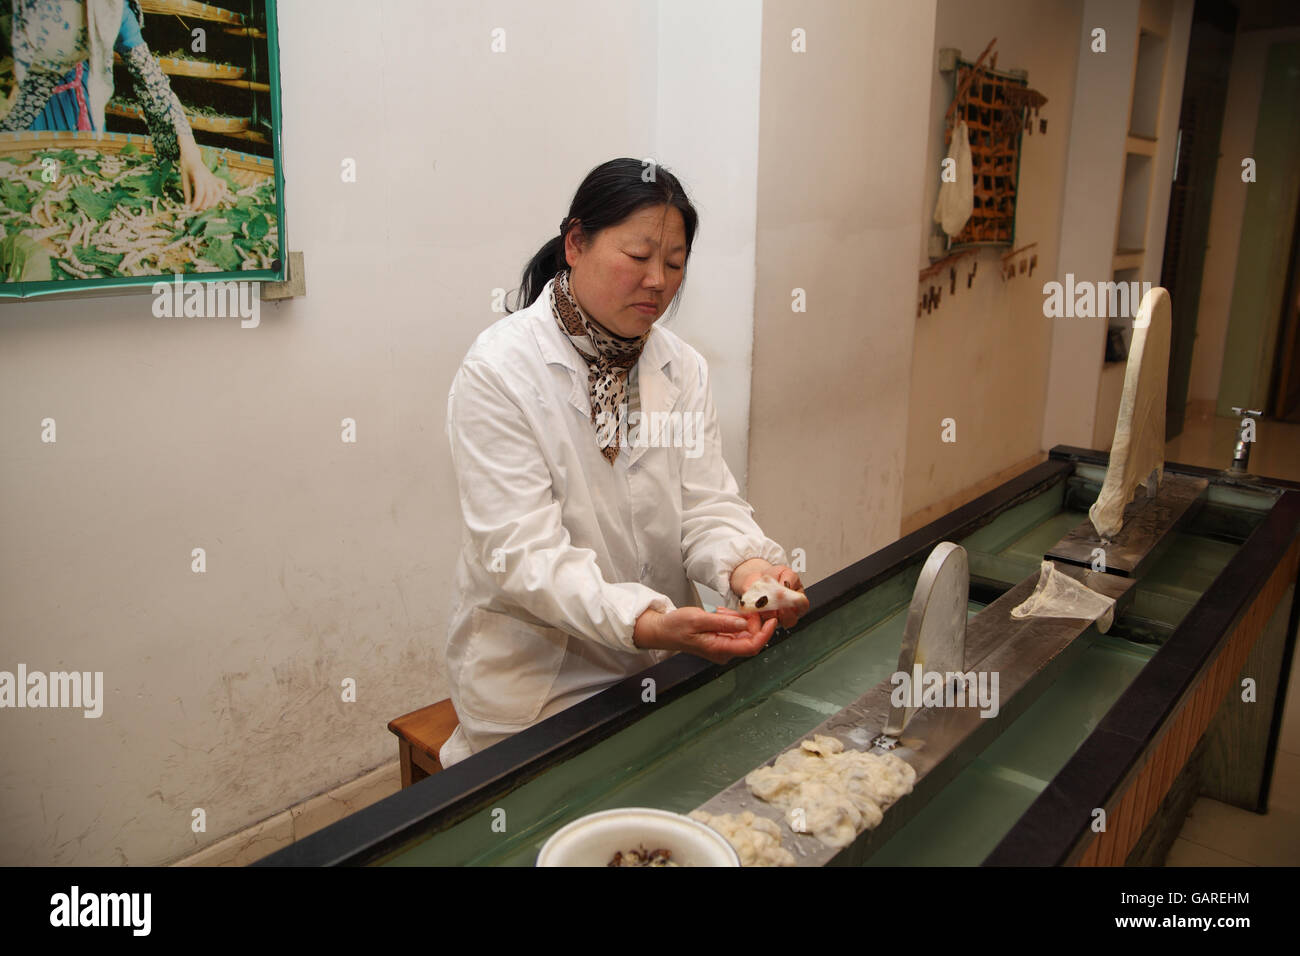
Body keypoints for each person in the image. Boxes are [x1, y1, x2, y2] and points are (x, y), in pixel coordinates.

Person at [439, 158, 809, 767]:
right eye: (638, 258)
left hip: (661, 654)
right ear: (576, 243)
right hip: (541, 679)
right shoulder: (500, 371)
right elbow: (522, 555)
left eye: (674, 263)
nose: (658, 281)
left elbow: (706, 503)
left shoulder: (680, 366)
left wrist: (748, 569)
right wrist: (642, 620)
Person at [1, 0, 222, 209]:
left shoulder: (111, 10)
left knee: (72, 177)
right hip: (16, 88)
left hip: (71, 98)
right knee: (24, 180)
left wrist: (191, 154)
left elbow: (150, 79)